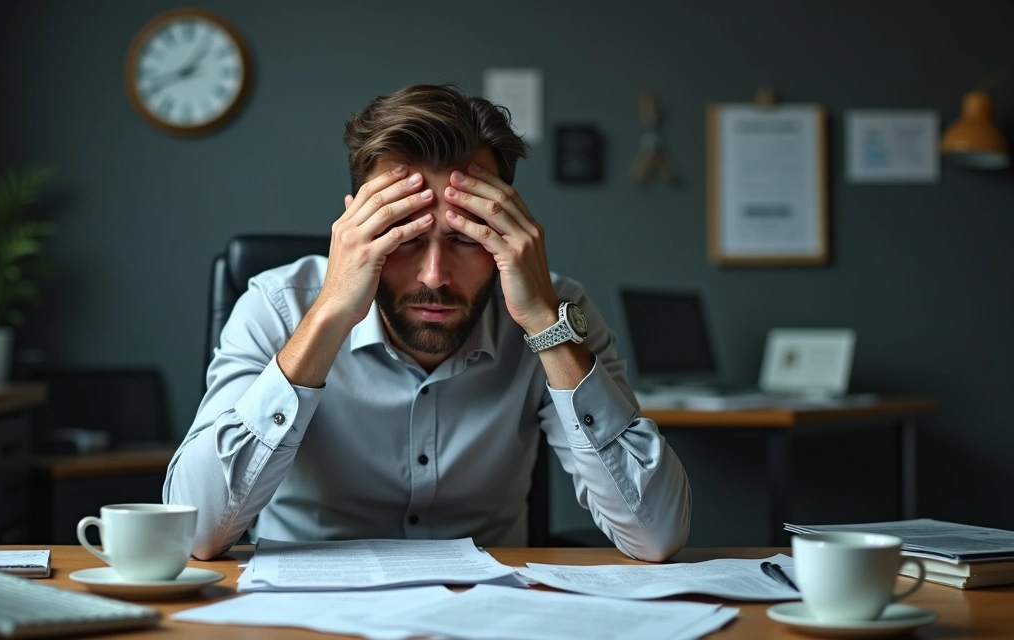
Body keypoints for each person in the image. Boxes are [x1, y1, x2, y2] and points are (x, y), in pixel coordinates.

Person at [165, 84, 691, 562]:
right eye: (404, 235)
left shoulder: (558, 312)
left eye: (466, 238)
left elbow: (656, 534)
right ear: (356, 228)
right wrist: (328, 317)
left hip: (489, 614)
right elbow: (195, 532)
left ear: (508, 232)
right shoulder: (276, 306)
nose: (434, 277)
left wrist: (544, 325)